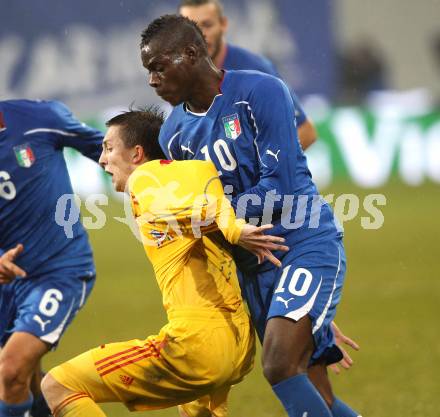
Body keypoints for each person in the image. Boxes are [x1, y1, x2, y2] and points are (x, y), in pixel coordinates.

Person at [140, 15, 361, 417]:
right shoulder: (173, 133)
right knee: (314, 388)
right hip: (252, 268)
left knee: (278, 363)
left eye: (158, 67)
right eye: (148, 71)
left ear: (190, 55)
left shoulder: (260, 91)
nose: (153, 80)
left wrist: (219, 216)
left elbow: (282, 187)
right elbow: (195, 215)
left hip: (302, 243)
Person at [41, 108, 289, 417]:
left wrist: (234, 229)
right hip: (238, 344)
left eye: (108, 148)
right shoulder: (198, 170)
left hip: (197, 341)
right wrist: (230, 225)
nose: (102, 159)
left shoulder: (143, 180)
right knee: (196, 412)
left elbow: (195, 209)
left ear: (137, 153)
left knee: (58, 386)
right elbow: (215, 201)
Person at [0, 99, 104, 417]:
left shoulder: (40, 117)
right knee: (27, 380)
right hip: (6, 282)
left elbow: (110, 152)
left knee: (11, 370)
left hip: (59, 269)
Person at [178, 0, 317, 150]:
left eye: (207, 25)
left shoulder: (256, 70)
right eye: (192, 28)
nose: (200, 36)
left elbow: (305, 131)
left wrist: (262, 170)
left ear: (223, 24)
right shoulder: (178, 76)